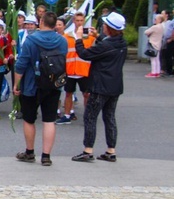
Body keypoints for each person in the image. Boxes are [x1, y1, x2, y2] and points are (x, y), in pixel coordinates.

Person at [71, 12, 128, 163]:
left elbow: (84, 54)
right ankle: (111, 150)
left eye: (105, 24)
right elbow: (107, 46)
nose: (102, 26)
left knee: (90, 116)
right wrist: (98, 37)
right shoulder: (122, 42)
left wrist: (78, 39)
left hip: (100, 86)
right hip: (115, 85)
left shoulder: (106, 45)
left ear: (109, 28)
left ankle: (88, 150)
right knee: (109, 117)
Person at [13, 11, 67, 167]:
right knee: (49, 120)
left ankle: (30, 152)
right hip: (53, 84)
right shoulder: (62, 41)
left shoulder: (31, 40)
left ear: (41, 22)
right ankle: (46, 156)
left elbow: (21, 64)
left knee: (29, 119)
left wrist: (17, 84)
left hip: (32, 84)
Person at [57, 12, 96, 124]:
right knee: (68, 93)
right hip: (70, 70)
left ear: (84, 21)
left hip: (84, 70)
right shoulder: (66, 36)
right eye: (77, 20)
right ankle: (67, 115)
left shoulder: (89, 36)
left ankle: (88, 116)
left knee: (87, 94)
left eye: (81, 20)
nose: (79, 22)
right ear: (73, 21)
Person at [144, 13, 165, 77]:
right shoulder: (162, 27)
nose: (155, 20)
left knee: (153, 59)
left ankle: (153, 72)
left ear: (159, 20)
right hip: (159, 44)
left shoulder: (155, 27)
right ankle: (157, 72)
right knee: (157, 59)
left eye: (156, 19)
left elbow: (146, 32)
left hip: (153, 43)